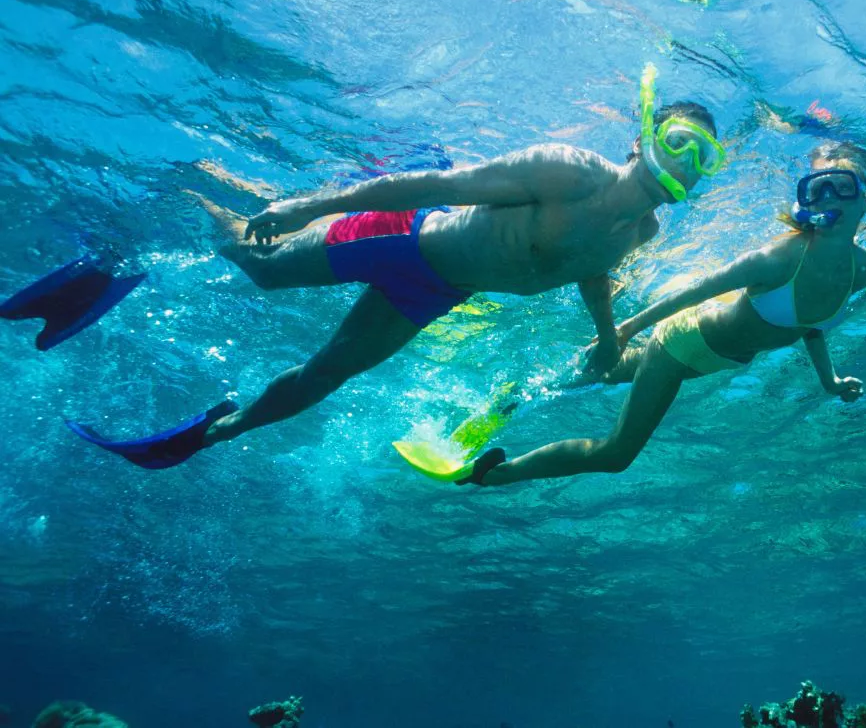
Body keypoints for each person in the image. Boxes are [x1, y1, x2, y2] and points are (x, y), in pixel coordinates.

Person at [66, 65, 726, 474]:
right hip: (403, 238)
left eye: (703, 159)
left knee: (328, 375)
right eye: (678, 143)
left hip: (437, 290)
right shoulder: (568, 170)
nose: (685, 164)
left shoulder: (642, 231)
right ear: (643, 135)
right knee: (259, 267)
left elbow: (590, 272)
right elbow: (429, 183)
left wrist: (609, 336)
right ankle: (194, 191)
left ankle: (216, 431)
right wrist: (308, 205)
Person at [471, 141, 866, 487]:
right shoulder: (778, 258)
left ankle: (517, 395)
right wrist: (626, 328)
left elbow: (810, 325)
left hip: (713, 359)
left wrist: (828, 380)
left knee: (591, 377)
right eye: (818, 189)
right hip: (681, 345)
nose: (828, 197)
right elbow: (698, 290)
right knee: (616, 455)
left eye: (841, 187)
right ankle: (493, 476)